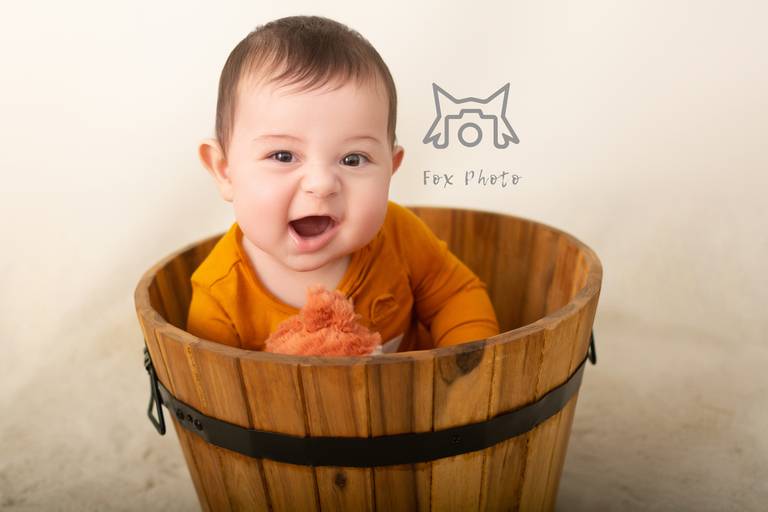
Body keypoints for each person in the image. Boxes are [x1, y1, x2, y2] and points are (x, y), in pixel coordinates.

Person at [187, 15, 500, 353]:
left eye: (353, 159)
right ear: (225, 171)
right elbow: (211, 393)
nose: (321, 184)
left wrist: (466, 373)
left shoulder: (398, 235)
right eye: (283, 155)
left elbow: (456, 295)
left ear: (390, 170)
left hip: (416, 404)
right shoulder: (219, 295)